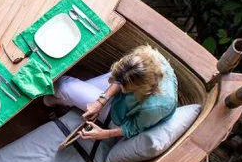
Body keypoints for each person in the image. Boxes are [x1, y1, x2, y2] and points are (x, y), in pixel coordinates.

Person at [46, 45, 178, 142]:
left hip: (123, 113)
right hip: (126, 87)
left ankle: (56, 101)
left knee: (64, 86)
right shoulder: (144, 58)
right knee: (66, 88)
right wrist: (101, 101)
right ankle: (59, 101)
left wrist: (104, 134)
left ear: (141, 88)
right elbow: (119, 79)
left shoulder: (155, 107)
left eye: (128, 88)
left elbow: (133, 127)